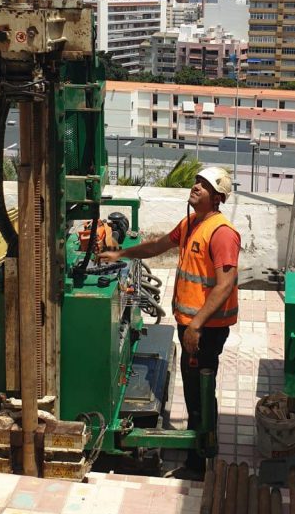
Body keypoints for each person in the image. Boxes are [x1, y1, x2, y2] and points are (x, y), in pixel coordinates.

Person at [98, 165, 241, 478]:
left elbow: (225, 284)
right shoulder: (190, 224)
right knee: (194, 390)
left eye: (203, 185)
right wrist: (120, 254)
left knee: (201, 391)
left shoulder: (222, 233)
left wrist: (196, 326)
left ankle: (200, 463)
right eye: (196, 182)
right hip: (192, 324)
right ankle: (201, 448)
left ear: (217, 197)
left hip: (206, 329)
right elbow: (158, 245)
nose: (195, 187)